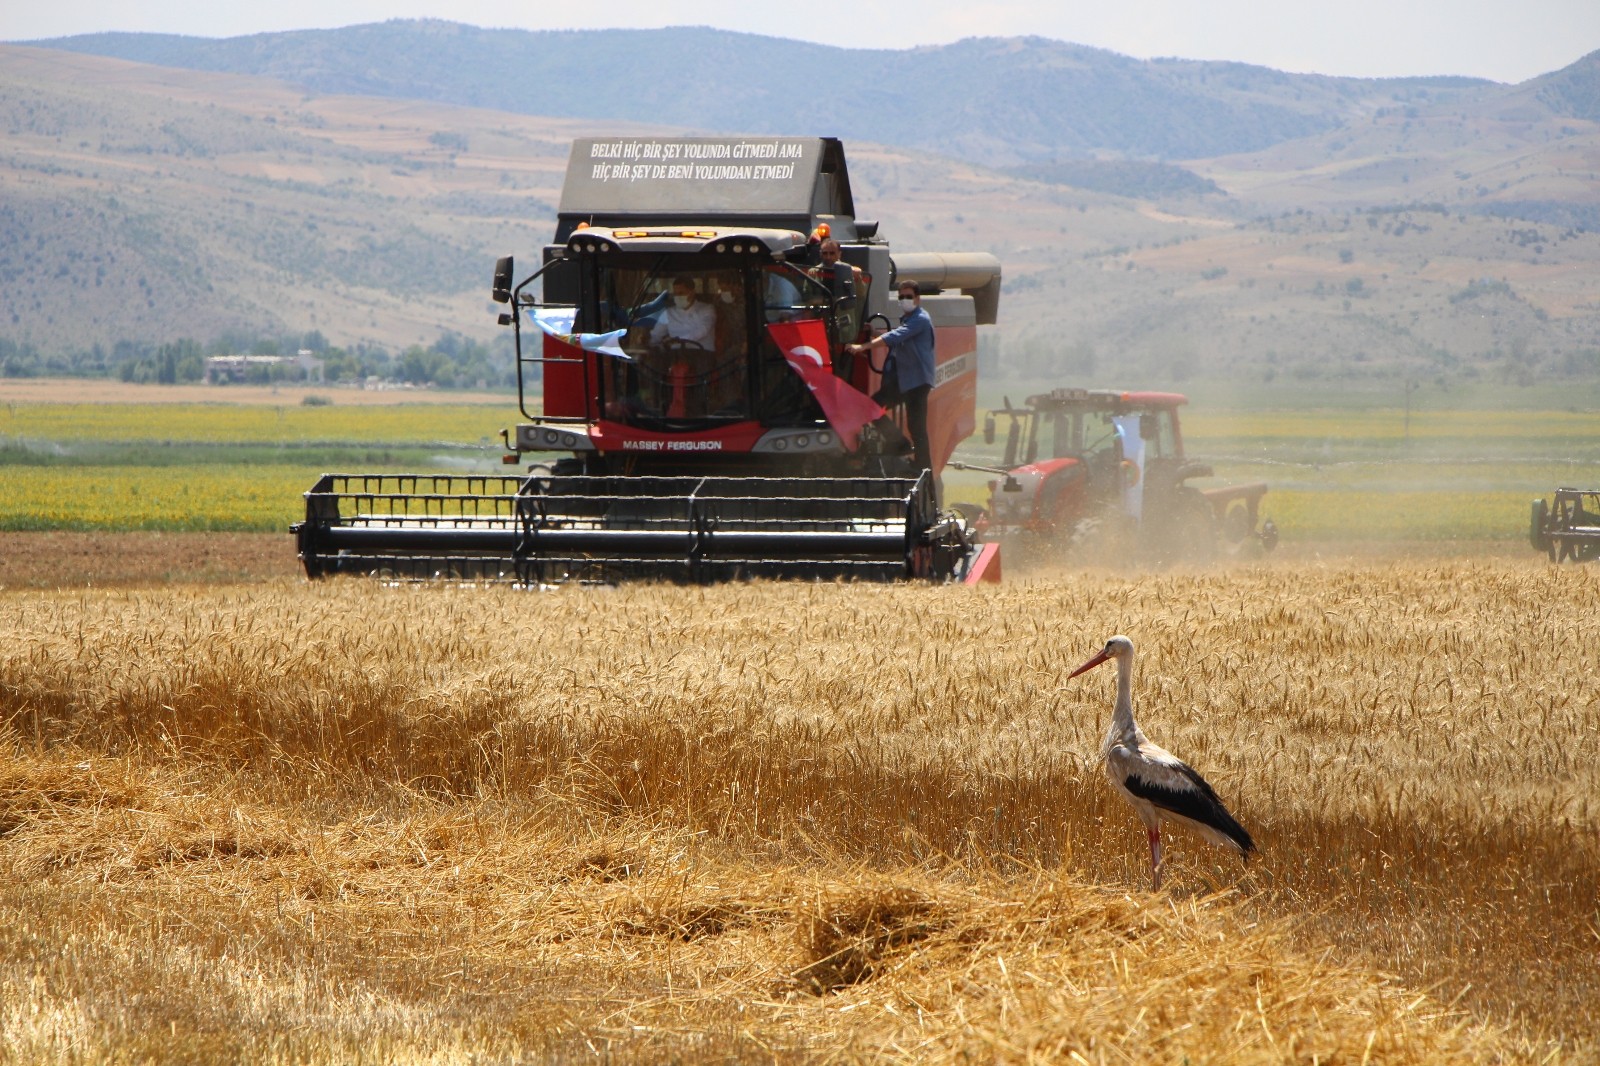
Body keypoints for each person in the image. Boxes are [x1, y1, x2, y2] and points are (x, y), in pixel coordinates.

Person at [847, 280, 934, 473]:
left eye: (908, 297)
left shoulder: (921, 319)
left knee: (917, 426)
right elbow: (897, 339)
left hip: (917, 382)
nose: (904, 300)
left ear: (917, 299)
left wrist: (863, 346)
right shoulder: (908, 320)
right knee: (873, 407)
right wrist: (875, 334)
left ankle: (923, 467)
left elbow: (896, 337)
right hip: (904, 380)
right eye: (901, 296)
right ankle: (898, 442)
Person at [649, 276, 717, 351]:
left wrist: (678, 340)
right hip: (675, 356)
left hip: (702, 356)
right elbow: (656, 335)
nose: (678, 296)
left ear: (692, 292)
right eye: (675, 294)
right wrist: (649, 344)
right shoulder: (668, 313)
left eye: (681, 293)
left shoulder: (707, 309)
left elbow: (704, 329)